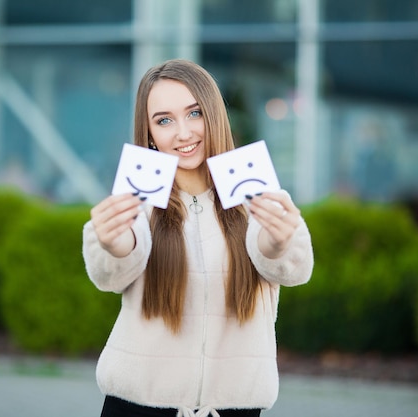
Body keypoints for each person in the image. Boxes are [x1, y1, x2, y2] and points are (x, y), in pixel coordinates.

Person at [82, 59, 314, 417]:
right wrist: (113, 244)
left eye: (194, 114)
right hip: (138, 405)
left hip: (234, 407)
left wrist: (280, 241)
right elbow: (115, 267)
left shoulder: (255, 196)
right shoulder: (138, 202)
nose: (183, 133)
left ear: (215, 114)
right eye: (164, 120)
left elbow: (284, 264)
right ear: (149, 134)